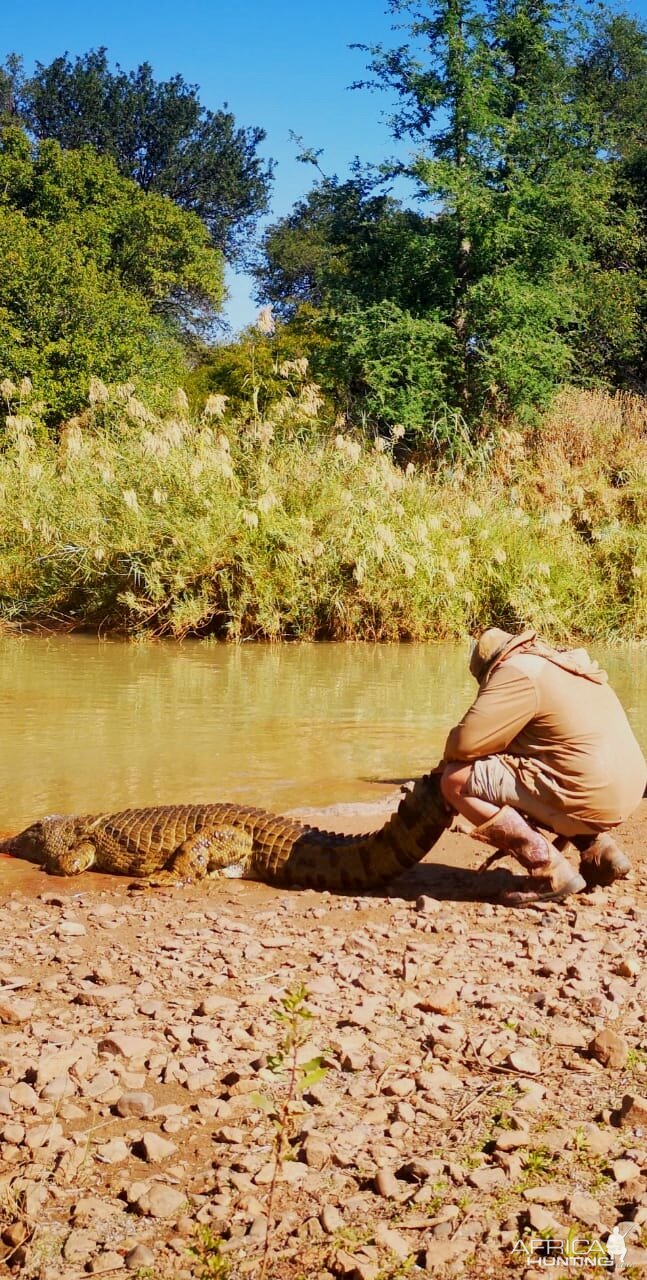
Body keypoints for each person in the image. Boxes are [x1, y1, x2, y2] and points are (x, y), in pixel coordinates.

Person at [440, 628, 647, 905]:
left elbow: (464, 743)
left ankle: (550, 872)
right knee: (550, 766)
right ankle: (601, 852)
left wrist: (442, 765)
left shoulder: (516, 671)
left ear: (491, 667)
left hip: (592, 792)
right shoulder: (565, 663)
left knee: (455, 780)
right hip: (630, 788)